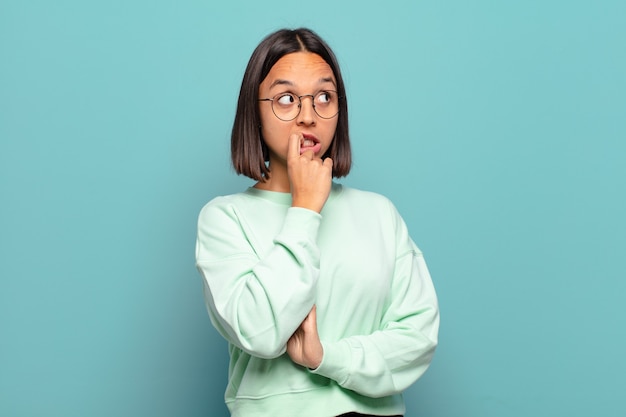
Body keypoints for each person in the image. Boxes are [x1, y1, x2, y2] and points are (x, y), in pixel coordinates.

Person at [195, 27, 439, 417]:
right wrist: (305, 210)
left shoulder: (379, 214)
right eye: (287, 99)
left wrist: (328, 357)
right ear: (253, 111)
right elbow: (259, 330)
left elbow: (417, 337)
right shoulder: (224, 218)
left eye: (324, 96)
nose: (308, 116)